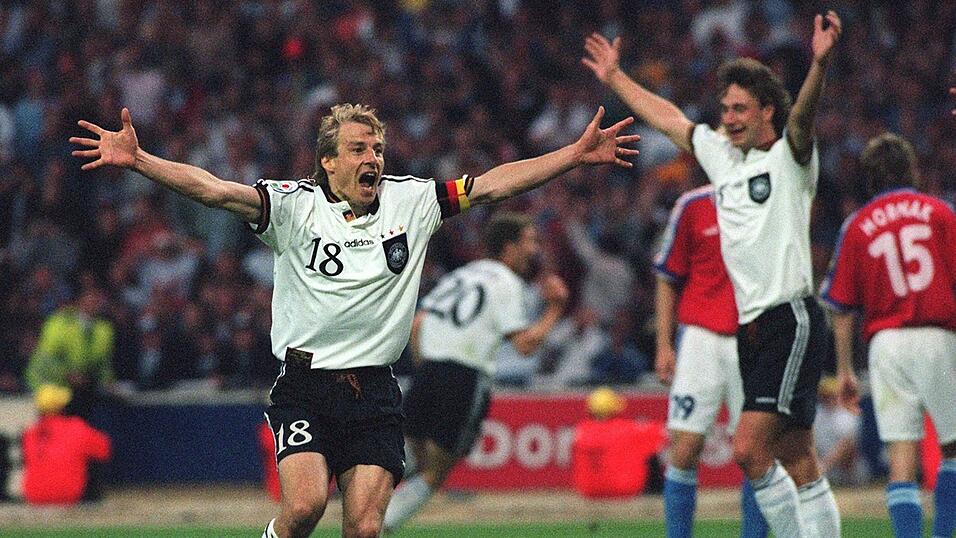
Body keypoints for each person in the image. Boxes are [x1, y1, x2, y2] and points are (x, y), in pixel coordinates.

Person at [71, 103, 638, 538]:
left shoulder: (413, 201)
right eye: (359, 148)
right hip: (305, 385)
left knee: (365, 528)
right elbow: (215, 191)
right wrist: (141, 161)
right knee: (304, 508)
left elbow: (493, 184)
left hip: (376, 388)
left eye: (377, 148)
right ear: (329, 161)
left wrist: (570, 155)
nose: (373, 158)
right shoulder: (292, 207)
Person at [583, 10, 843, 537]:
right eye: (725, 108)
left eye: (741, 108)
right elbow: (668, 117)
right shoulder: (722, 158)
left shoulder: (790, 159)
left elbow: (804, 118)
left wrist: (818, 66)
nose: (730, 117)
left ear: (768, 110)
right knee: (798, 457)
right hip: (754, 328)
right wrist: (616, 78)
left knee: (748, 449)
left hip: (790, 318)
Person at [382, 211, 569, 533]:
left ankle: (365, 504)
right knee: (437, 470)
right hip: (465, 377)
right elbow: (525, 345)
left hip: (429, 370)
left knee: (411, 454)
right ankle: (381, 525)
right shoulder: (508, 282)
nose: (535, 250)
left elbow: (418, 324)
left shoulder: (462, 274)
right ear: (508, 248)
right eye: (530, 242)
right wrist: (556, 309)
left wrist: (426, 364)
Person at [820, 132, 956, 538]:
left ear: (870, 179)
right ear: (911, 169)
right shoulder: (940, 212)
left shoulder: (858, 225)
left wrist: (845, 369)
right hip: (938, 337)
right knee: (951, 449)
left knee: (901, 457)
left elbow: (840, 306)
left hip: (886, 345)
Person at [653, 184, 767, 538]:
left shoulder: (768, 196)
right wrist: (663, 344)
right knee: (684, 450)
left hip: (753, 340)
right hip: (700, 338)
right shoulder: (693, 204)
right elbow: (668, 276)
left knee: (755, 453)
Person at [25, 286, 115, 419]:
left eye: (98, 297)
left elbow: (103, 363)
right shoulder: (59, 323)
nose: (96, 301)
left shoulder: (104, 329)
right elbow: (46, 359)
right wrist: (67, 373)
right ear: (80, 300)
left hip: (80, 391)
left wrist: (108, 381)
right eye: (91, 296)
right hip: (48, 386)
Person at [21, 384, 111, 505]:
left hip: (34, 495)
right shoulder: (77, 428)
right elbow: (105, 451)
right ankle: (94, 501)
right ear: (64, 407)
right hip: (68, 495)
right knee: (91, 456)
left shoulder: (29, 433)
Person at [813, 376, 864, 487]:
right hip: (820, 466)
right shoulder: (816, 413)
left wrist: (823, 467)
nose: (829, 398)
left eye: (832, 395)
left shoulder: (848, 412)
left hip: (848, 471)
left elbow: (848, 444)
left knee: (849, 445)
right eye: (826, 395)